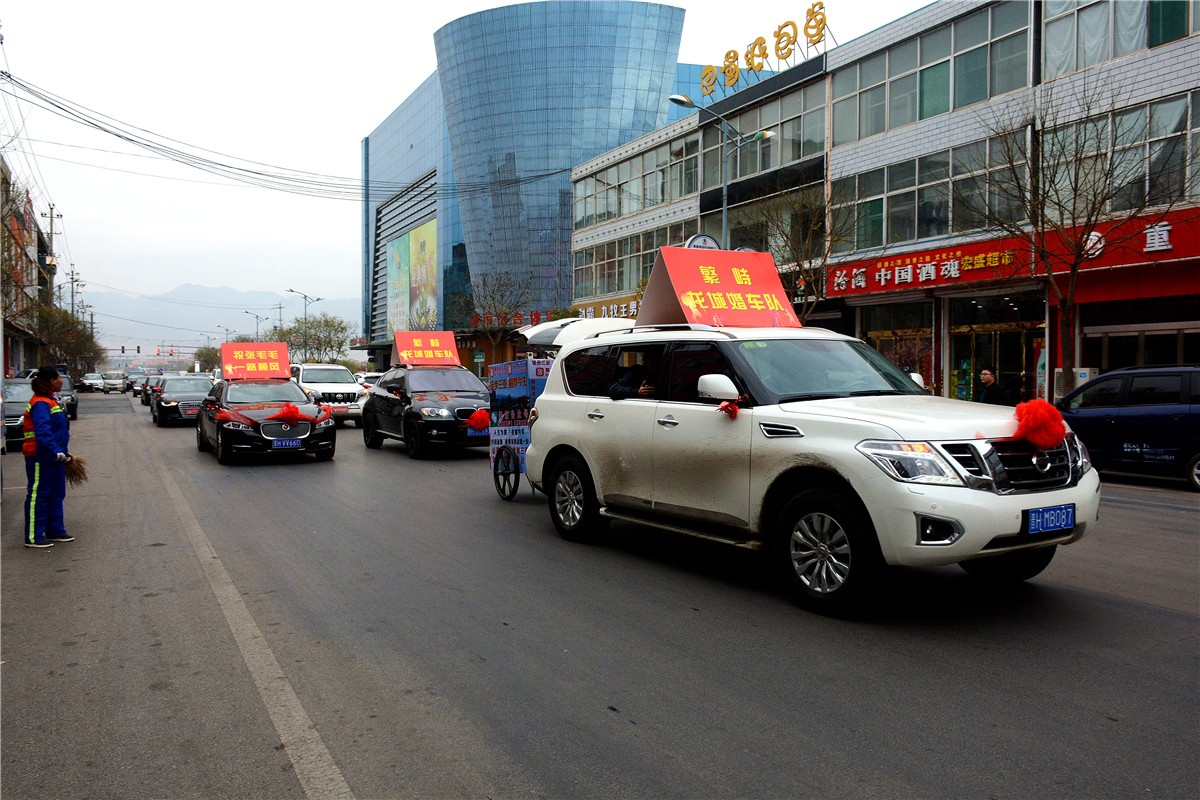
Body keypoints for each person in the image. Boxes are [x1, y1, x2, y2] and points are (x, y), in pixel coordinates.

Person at [22, 365, 74, 548]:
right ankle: (34, 537)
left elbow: (58, 431)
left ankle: (55, 531)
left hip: (54, 457)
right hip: (40, 456)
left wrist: (64, 454)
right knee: (39, 495)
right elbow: (43, 430)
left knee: (56, 494)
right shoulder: (40, 402)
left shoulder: (51, 400)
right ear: (52, 381)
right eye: (59, 378)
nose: (61, 381)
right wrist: (55, 450)